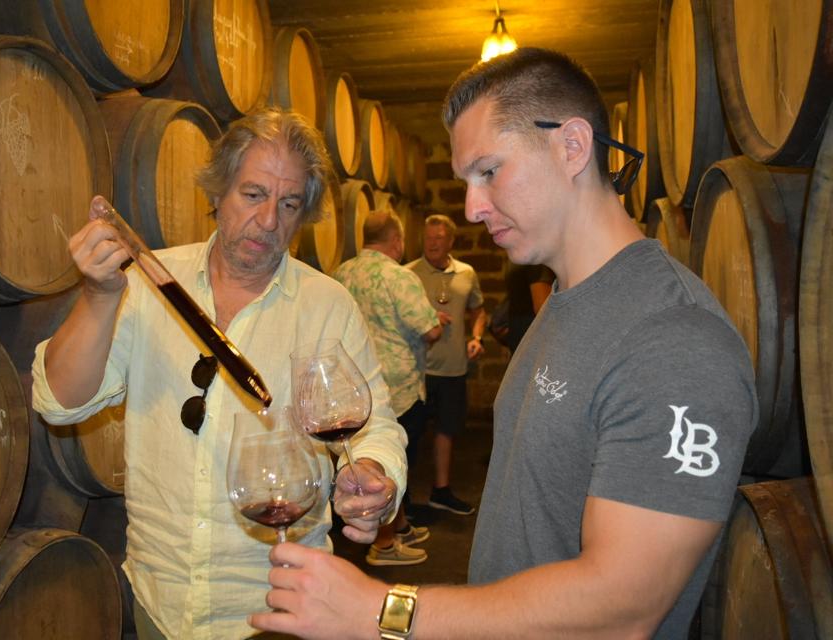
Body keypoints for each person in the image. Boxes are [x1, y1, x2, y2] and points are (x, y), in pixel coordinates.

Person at [249, 48, 756, 639]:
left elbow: (622, 608)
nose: (472, 208)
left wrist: (384, 611)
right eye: (467, 181)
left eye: (489, 172)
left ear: (572, 146)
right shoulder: (566, 301)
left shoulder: (675, 340)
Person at [30, 107, 407, 640]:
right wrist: (98, 295)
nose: (269, 220)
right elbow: (60, 402)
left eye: (289, 203)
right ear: (218, 192)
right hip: (161, 600)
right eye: (253, 194)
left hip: (282, 602)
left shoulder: (327, 304)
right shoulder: (149, 282)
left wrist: (373, 473)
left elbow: (376, 427)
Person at [333, 209, 445, 566]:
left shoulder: (340, 273)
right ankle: (384, 544)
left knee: (362, 460)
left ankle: (401, 526)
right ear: (396, 241)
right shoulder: (400, 276)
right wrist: (437, 321)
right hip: (397, 387)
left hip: (351, 385)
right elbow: (430, 330)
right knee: (389, 464)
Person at [406, 214, 487, 516]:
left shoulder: (467, 273)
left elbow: (478, 310)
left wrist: (477, 337)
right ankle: (403, 499)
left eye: (439, 238)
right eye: (428, 238)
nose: (432, 243)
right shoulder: (408, 273)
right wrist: (426, 320)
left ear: (451, 241)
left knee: (447, 429)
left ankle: (440, 491)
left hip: (453, 367)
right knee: (410, 435)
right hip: (417, 369)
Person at [488, 263, 553, 352]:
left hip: (523, 343)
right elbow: (545, 312)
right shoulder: (537, 262)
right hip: (536, 345)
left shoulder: (518, 260)